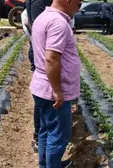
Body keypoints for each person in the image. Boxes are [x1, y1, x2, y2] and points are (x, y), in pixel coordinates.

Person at [30, 0, 81, 166]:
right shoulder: (58, 23)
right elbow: (51, 58)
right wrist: (58, 91)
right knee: (58, 136)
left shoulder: (43, 17)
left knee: (46, 130)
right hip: (53, 92)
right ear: (68, 1)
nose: (79, 8)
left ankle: (46, 165)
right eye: (78, 4)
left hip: (42, 87)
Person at [25, 0, 53, 153]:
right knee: (42, 98)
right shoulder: (40, 1)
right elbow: (36, 26)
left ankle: (41, 138)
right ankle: (39, 138)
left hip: (39, 52)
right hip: (42, 56)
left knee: (42, 98)